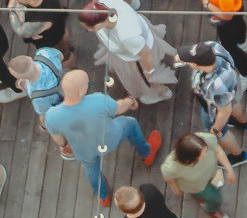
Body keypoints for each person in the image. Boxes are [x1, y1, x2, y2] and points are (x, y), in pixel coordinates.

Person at [43, 70, 162, 206]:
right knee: (130, 123)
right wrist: (130, 100)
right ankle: (147, 153)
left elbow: (57, 138)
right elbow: (119, 109)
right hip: (110, 139)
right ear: (80, 92)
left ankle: (103, 196)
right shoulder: (98, 100)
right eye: (87, 83)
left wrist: (64, 145)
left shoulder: (52, 116)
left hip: (84, 149)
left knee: (91, 169)